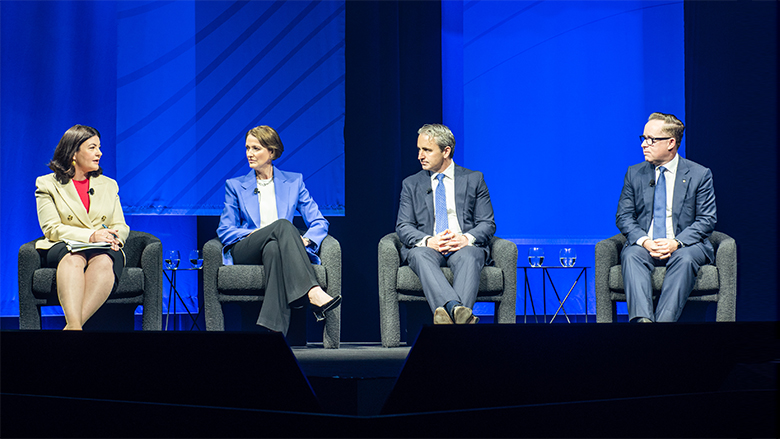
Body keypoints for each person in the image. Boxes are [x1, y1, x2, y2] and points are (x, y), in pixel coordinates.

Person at [217, 125, 341, 335]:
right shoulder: (235, 185)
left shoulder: (294, 182)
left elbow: (319, 222)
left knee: (274, 247)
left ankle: (273, 331)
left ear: (271, 151)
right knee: (283, 225)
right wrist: (254, 234)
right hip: (246, 249)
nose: (249, 153)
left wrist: (306, 240)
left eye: (256, 148)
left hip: (276, 249)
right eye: (247, 148)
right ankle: (313, 292)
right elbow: (225, 230)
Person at [616, 112, 717, 322]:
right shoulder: (634, 173)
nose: (644, 144)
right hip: (646, 244)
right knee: (631, 255)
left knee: (685, 258)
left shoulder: (699, 174)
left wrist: (676, 243)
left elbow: (706, 220)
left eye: (651, 139)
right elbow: (624, 216)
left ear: (671, 143)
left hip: (686, 245)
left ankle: (663, 327)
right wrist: (644, 241)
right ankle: (642, 322)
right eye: (643, 138)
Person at [396, 123, 496, 324]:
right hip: (429, 247)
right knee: (418, 254)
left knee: (471, 255)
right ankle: (457, 310)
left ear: (446, 151)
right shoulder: (411, 184)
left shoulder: (474, 179)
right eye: (419, 150)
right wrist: (428, 241)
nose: (420, 156)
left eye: (427, 150)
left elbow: (487, 223)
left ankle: (448, 315)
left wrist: (465, 239)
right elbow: (403, 226)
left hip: (464, 247)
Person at [35, 125, 129, 330]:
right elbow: (51, 228)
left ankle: (73, 328)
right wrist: (92, 235)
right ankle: (75, 328)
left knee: (104, 261)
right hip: (63, 244)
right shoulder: (47, 184)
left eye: (100, 147)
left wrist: (115, 237)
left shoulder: (109, 184)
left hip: (103, 247)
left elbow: (120, 224)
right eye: (92, 147)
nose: (99, 153)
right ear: (73, 153)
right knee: (73, 258)